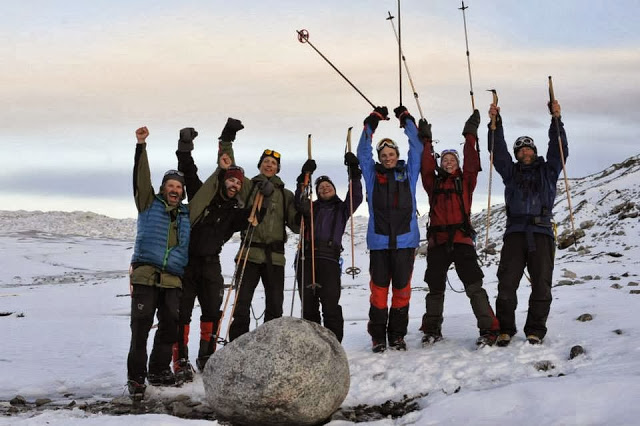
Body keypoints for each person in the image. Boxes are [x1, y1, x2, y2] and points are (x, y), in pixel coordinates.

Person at [171, 119, 273, 382]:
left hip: (210, 263)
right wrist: (185, 145)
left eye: (239, 184)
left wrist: (266, 194)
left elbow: (254, 219)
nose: (235, 185)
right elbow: (187, 169)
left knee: (212, 310)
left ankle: (207, 356)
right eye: (232, 181)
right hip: (186, 261)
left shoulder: (236, 211)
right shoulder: (201, 195)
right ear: (224, 181)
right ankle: (179, 359)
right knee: (181, 312)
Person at [488, 99, 567, 346]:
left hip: (542, 231)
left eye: (528, 148)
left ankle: (535, 330)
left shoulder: (549, 170)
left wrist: (556, 119)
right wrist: (495, 123)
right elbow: (497, 151)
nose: (525, 151)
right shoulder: (510, 173)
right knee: (506, 284)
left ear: (534, 151)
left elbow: (559, 147)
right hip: (515, 233)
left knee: (542, 284)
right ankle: (505, 329)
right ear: (517, 154)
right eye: (520, 149)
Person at [419, 110, 500, 347]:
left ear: (458, 164)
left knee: (474, 286)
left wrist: (470, 135)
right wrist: (426, 142)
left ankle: (489, 329)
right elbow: (425, 167)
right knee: (435, 287)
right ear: (440, 164)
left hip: (462, 240)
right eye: (445, 160)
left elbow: (473, 162)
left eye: (453, 160)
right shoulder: (432, 183)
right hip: (438, 242)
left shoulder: (466, 181)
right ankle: (431, 329)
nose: (449, 162)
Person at [127, 126, 190, 400]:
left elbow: (212, 191)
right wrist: (141, 146)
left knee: (169, 328)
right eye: (170, 185)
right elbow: (142, 179)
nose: (174, 190)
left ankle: (159, 371)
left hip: (173, 279)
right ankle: (137, 379)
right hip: (146, 276)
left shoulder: (187, 214)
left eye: (178, 187)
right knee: (140, 328)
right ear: (163, 188)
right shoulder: (147, 203)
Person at [357, 105, 424, 353]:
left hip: (406, 242)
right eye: (383, 155)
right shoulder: (372, 176)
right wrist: (373, 121)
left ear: (396, 154)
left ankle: (397, 336)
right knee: (378, 293)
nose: (387, 158)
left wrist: (405, 119)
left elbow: (417, 147)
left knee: (402, 292)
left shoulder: (408, 172)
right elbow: (363, 150)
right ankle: (378, 337)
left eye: (391, 154)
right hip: (379, 243)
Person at [218, 142, 300, 341]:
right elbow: (230, 170)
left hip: (275, 257)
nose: (269, 165)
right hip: (249, 253)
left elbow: (296, 226)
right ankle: (239, 342)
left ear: (278, 168)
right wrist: (227, 142)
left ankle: (270, 343)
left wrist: (302, 209)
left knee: (275, 304)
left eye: (273, 162)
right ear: (260, 165)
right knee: (242, 302)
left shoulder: (285, 194)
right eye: (265, 162)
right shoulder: (248, 186)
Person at [293, 153, 363, 342]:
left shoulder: (342, 208)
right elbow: (298, 201)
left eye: (328, 186)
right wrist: (304, 176)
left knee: (331, 305)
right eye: (321, 187)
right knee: (308, 307)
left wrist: (354, 173)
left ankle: (334, 345)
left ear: (334, 189)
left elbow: (356, 196)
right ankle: (312, 344)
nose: (324, 189)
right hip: (306, 258)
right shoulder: (310, 208)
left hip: (329, 259)